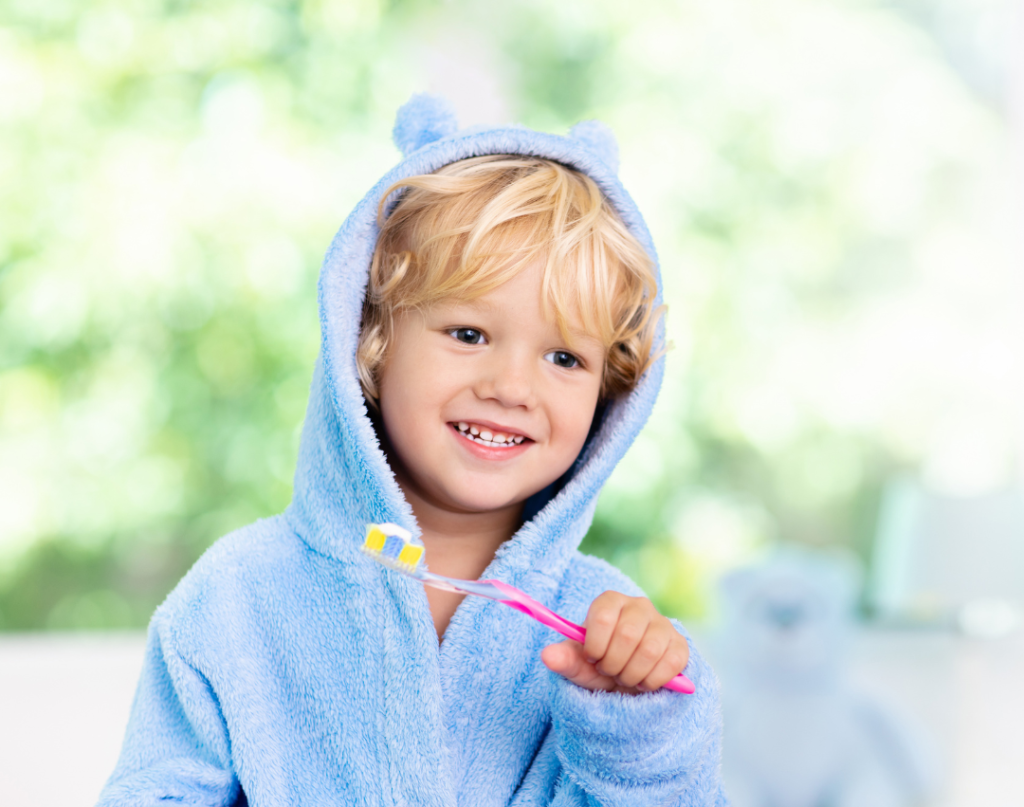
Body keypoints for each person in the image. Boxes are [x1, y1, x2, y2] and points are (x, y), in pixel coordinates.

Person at [97, 94, 726, 806]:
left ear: (610, 393)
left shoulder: (605, 629)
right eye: (468, 334)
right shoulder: (237, 599)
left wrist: (639, 731)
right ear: (370, 342)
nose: (512, 386)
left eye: (564, 356)